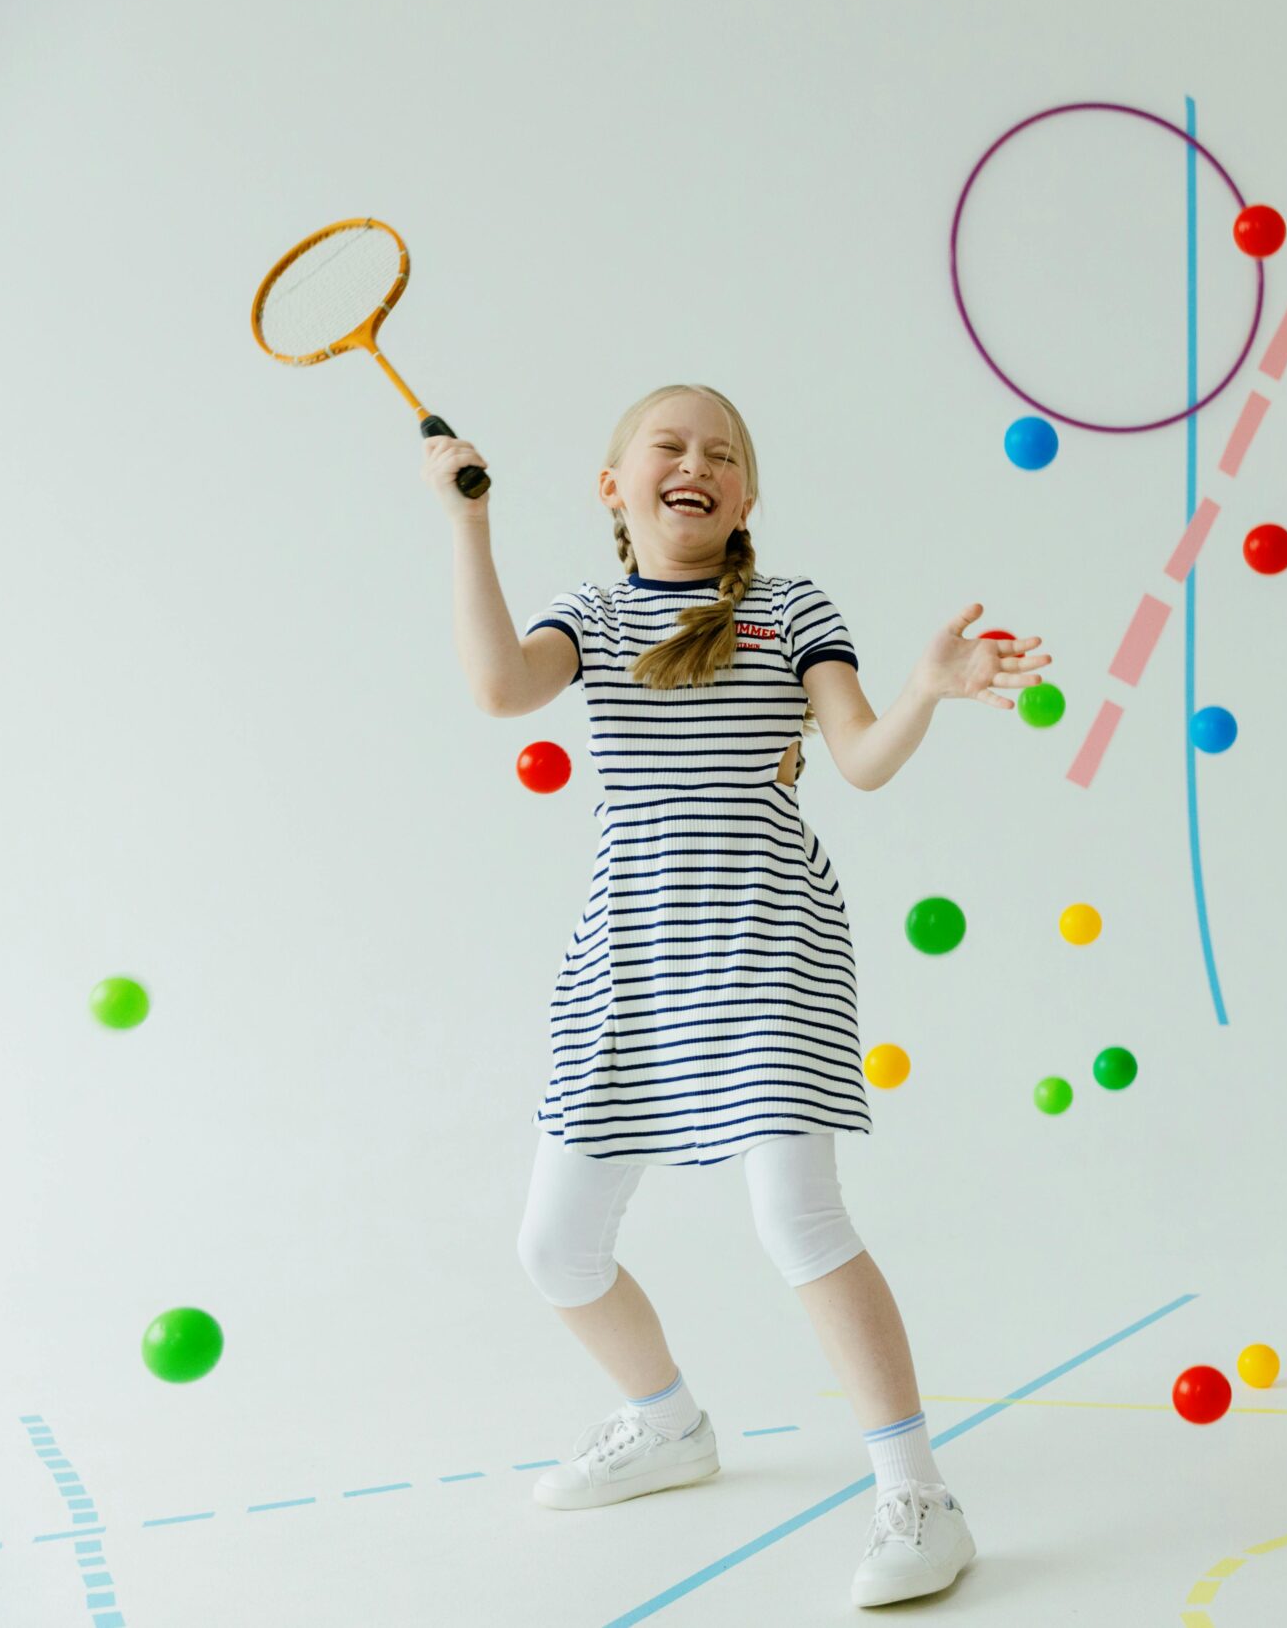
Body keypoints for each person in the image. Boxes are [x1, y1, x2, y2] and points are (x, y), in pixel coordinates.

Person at [426, 384, 1049, 1607]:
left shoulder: (792, 610)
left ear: (745, 498)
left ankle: (918, 1495)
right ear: (615, 487)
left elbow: (860, 760)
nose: (694, 461)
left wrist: (926, 688)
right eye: (667, 445)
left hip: (769, 945)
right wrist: (468, 525)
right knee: (555, 1249)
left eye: (722, 454)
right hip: (631, 961)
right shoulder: (593, 616)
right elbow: (500, 688)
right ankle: (664, 1425)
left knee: (797, 1221)